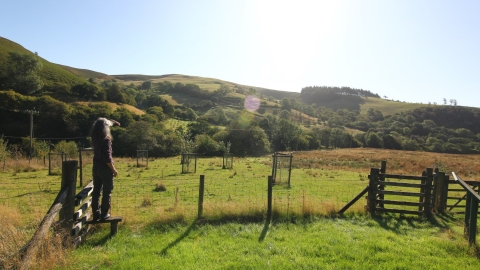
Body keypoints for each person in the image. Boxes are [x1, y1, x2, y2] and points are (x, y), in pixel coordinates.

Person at [89, 117, 120, 220]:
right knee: (107, 191)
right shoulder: (106, 140)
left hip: (96, 168)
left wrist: (112, 122)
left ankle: (96, 214)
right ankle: (104, 214)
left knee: (96, 192)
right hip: (105, 169)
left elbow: (104, 124)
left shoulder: (95, 138)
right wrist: (114, 170)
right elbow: (107, 157)